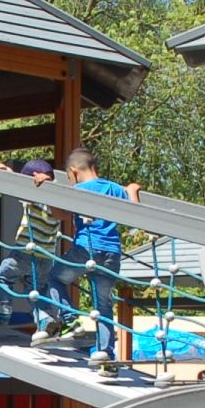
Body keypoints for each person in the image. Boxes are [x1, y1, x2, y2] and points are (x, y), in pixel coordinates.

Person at [0, 158, 70, 337]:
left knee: (3, 276)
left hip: (23, 253)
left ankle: (2, 311)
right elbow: (65, 214)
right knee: (36, 292)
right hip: (46, 258)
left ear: (34, 178)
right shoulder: (58, 201)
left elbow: (13, 183)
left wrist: (4, 170)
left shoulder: (34, 195)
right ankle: (46, 320)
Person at [58, 148, 133, 374]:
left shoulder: (77, 190)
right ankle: (106, 354)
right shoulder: (113, 188)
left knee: (55, 278)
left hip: (85, 248)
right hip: (112, 252)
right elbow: (133, 209)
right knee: (103, 304)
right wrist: (132, 190)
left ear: (73, 171)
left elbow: (59, 214)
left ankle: (69, 319)